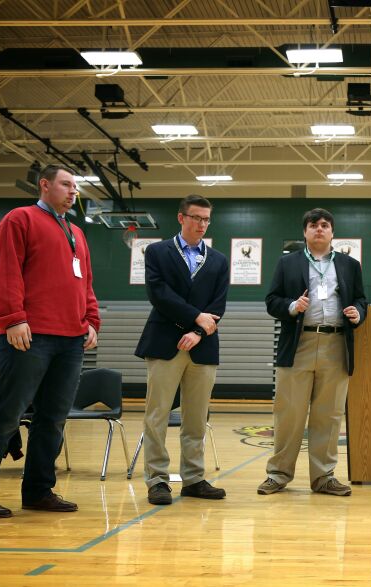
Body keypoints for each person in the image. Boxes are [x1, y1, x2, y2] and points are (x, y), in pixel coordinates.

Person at [0, 164, 100, 518]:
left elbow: (85, 282)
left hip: (71, 339)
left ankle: (38, 490)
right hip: (29, 335)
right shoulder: (19, 219)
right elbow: (4, 272)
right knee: (6, 415)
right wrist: (12, 319)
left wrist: (91, 320)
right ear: (45, 185)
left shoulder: (77, 233)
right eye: (66, 184)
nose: (73, 191)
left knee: (52, 419)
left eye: (75, 187)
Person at [258, 208, 367, 497]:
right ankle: (278, 474)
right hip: (299, 344)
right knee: (289, 414)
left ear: (332, 232)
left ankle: (324, 477)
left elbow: (360, 298)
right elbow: (272, 301)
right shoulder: (287, 263)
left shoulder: (349, 264)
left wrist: (359, 313)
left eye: (324, 225)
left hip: (336, 344)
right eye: (312, 225)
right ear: (304, 232)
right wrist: (292, 307)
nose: (319, 229)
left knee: (328, 416)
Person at [135, 195, 229, 505]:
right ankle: (158, 480)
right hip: (164, 343)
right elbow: (158, 294)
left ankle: (194, 478)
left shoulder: (218, 260)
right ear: (181, 218)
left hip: (202, 345)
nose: (201, 224)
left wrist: (199, 331)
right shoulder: (158, 252)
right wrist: (194, 317)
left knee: (196, 418)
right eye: (196, 218)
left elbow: (218, 305)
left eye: (206, 219)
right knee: (157, 415)